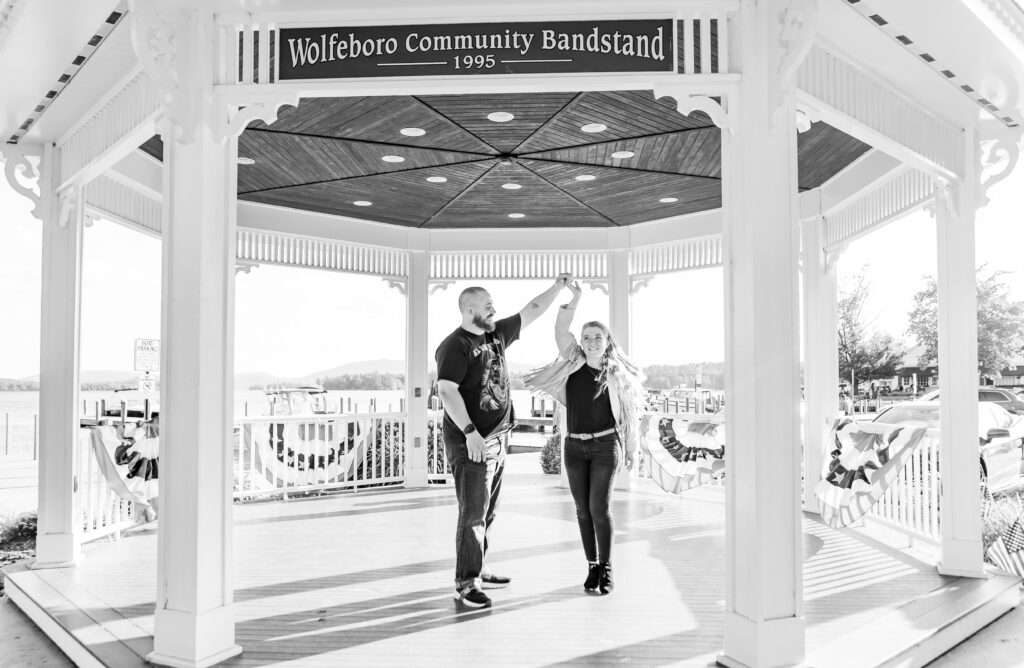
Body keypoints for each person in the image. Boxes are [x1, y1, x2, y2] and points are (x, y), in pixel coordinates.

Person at [435, 274, 571, 609]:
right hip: (472, 443)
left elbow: (532, 310)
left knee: (488, 511)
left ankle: (479, 569)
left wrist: (557, 288)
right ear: (469, 311)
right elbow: (446, 391)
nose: (494, 309)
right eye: (487, 306)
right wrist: (470, 433)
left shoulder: (496, 334)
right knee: (473, 514)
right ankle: (465, 584)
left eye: (493, 305)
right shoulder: (455, 345)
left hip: (497, 440)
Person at [524, 281, 645, 595]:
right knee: (580, 510)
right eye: (586, 337)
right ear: (581, 342)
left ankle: (606, 568)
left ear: (607, 341)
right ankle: (591, 566)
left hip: (606, 446)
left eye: (598, 337)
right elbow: (561, 328)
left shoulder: (617, 376)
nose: (591, 342)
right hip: (574, 446)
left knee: (598, 508)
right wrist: (574, 298)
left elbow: (630, 418)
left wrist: (631, 450)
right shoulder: (572, 362)